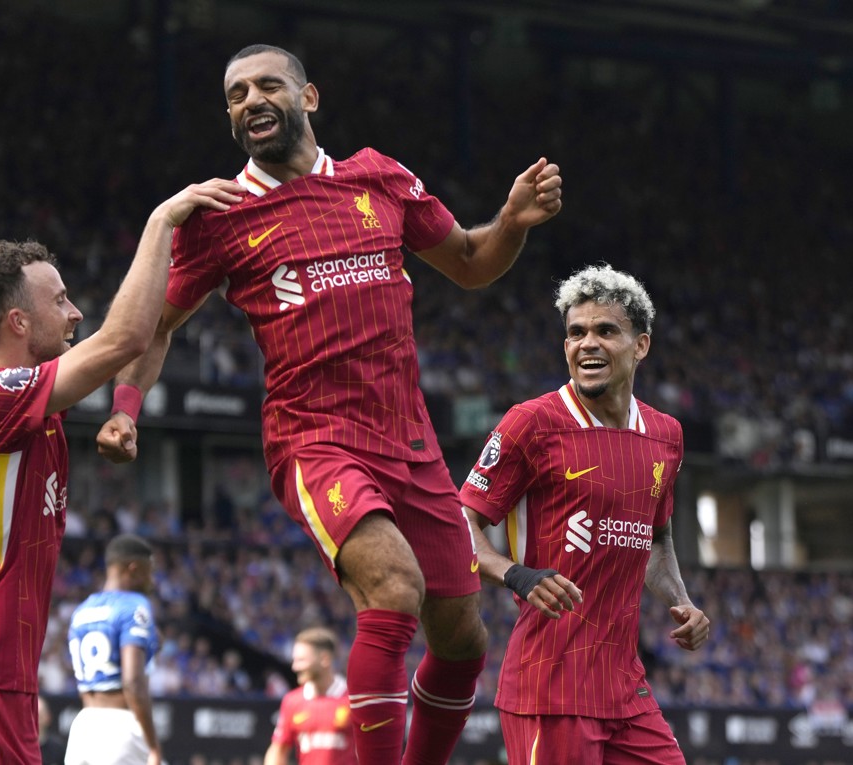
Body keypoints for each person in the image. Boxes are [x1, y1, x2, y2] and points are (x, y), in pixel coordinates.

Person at [95, 44, 562, 765]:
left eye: (267, 86)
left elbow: (471, 263)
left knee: (463, 639)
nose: (251, 100)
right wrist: (127, 406)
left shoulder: (379, 178)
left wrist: (513, 222)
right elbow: (157, 322)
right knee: (394, 584)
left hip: (411, 442)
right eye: (236, 93)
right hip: (315, 439)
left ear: (308, 98)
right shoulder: (220, 216)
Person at [0, 178, 243, 765]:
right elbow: (126, 336)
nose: (75, 311)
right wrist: (161, 221)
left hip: (3, 681)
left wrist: (125, 409)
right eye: (60, 299)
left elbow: (153, 330)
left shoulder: (28, 403)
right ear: (17, 321)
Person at [459, 264, 711, 765]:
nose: (587, 344)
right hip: (549, 688)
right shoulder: (531, 424)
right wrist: (516, 574)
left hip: (625, 689)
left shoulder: (667, 437)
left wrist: (682, 602)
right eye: (576, 333)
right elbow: (456, 524)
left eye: (605, 331)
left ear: (640, 345)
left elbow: (655, 538)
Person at [65, 534, 163, 765]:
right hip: (121, 729)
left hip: (84, 727)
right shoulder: (134, 606)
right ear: (134, 569)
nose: (152, 580)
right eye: (149, 571)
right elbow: (133, 683)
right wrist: (153, 746)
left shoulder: (81, 611)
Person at [264, 627, 355, 765]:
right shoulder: (292, 701)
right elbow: (278, 750)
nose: (295, 667)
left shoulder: (354, 699)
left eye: (301, 660)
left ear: (324, 659)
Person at [38, 696, 66, 765]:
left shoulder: (58, 749)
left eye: (40, 716)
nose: (37, 721)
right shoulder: (21, 748)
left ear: (48, 717)